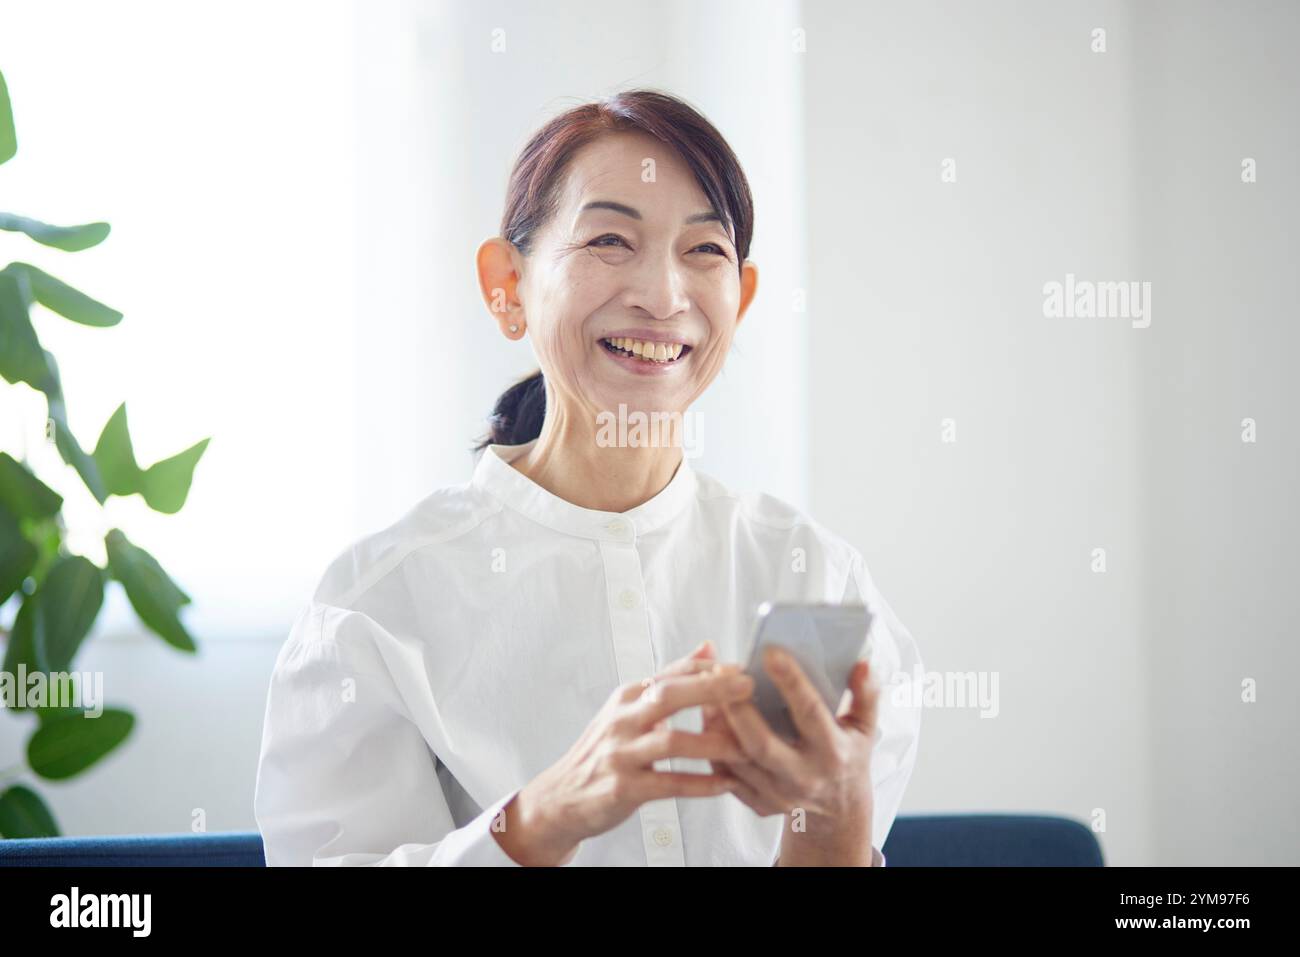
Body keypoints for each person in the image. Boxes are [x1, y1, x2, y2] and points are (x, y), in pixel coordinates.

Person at [253, 89, 923, 866]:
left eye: (704, 251)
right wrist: (538, 818)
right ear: (506, 285)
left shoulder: (817, 584)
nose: (663, 296)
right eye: (610, 239)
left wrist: (831, 821)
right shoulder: (375, 608)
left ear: (739, 299)